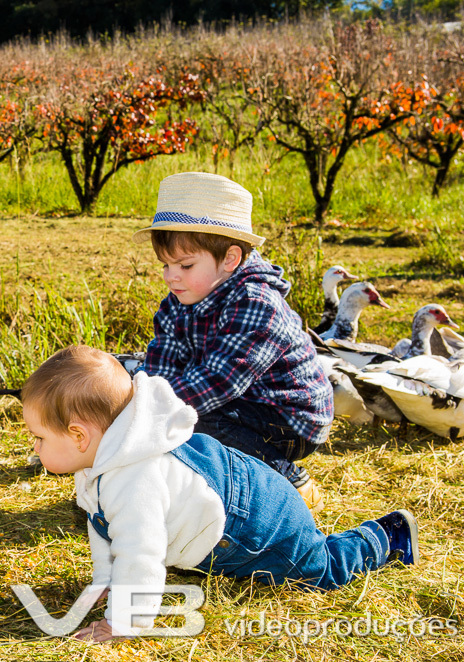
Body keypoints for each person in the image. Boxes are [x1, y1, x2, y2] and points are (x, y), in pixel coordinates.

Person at [21, 345, 419, 642]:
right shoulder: (101, 458)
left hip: (259, 522)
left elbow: (139, 553)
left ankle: (385, 537)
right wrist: (105, 582)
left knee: (319, 570)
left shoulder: (134, 478)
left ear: (79, 435)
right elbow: (103, 528)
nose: (34, 447)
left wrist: (123, 622)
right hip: (228, 498)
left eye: (38, 437)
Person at [129, 172, 333, 513]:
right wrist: (138, 403)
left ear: (230, 259)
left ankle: (287, 478)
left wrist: (153, 413)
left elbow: (219, 382)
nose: (170, 276)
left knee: (197, 424)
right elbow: (160, 366)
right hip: (236, 403)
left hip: (288, 417)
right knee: (174, 422)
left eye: (185, 264)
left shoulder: (256, 302)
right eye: (165, 264)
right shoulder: (177, 302)